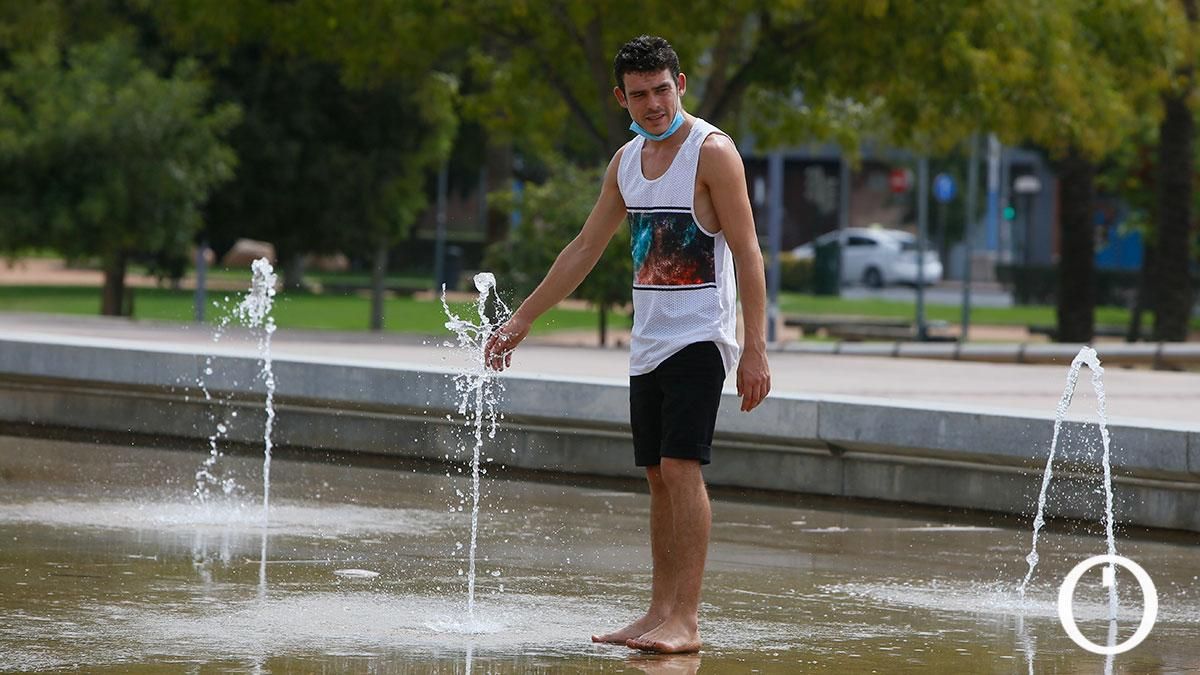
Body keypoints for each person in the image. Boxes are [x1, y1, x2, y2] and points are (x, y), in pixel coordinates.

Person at [482, 34, 770, 654]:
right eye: (639, 95)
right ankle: (658, 612)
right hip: (649, 343)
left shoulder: (712, 153)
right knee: (656, 477)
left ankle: (685, 621)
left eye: (662, 90)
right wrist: (523, 319)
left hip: (701, 336)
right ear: (622, 98)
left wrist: (755, 348)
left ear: (681, 84)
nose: (653, 104)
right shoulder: (626, 163)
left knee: (681, 466)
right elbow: (584, 249)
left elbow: (748, 252)